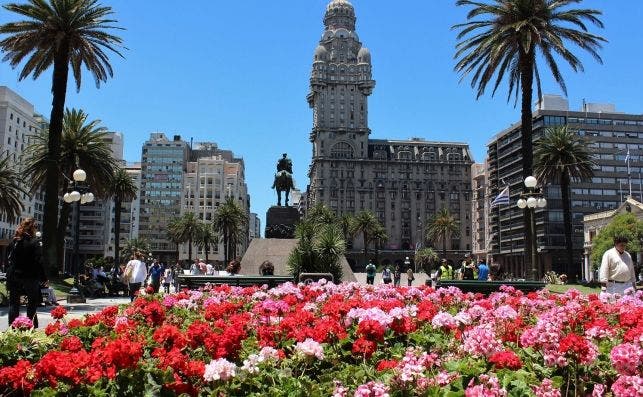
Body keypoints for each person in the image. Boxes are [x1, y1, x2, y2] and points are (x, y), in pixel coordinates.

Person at [6, 217, 47, 328]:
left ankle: (12, 327)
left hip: (14, 275)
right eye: (35, 227)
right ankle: (31, 326)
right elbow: (39, 261)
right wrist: (44, 278)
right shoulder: (34, 242)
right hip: (30, 276)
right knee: (32, 302)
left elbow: (7, 259)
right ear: (32, 228)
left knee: (14, 302)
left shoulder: (14, 241)